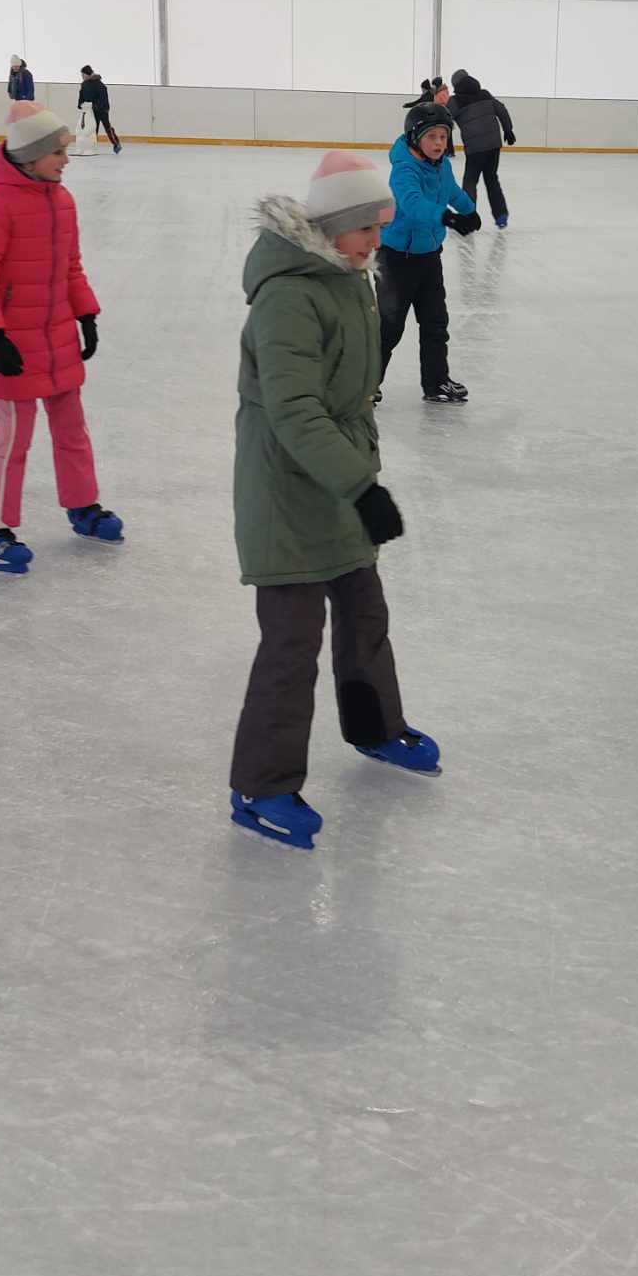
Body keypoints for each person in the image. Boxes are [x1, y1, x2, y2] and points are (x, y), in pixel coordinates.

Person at [229, 150, 441, 851]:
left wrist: (357, 475)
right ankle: (261, 785)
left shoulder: (348, 275)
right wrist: (361, 485)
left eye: (381, 227)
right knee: (292, 642)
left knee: (364, 615)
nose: (378, 241)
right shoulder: (289, 296)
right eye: (367, 228)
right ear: (331, 225)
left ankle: (375, 727)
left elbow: (351, 394)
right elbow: (295, 412)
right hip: (287, 492)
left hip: (339, 477)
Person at [0, 101, 123, 574]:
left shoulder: (62, 200)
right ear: (31, 156)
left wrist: (86, 314)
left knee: (72, 430)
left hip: (57, 339)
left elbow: (70, 267)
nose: (66, 160)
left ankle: (83, 506)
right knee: (12, 438)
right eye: (58, 152)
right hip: (12, 345)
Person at [378, 101, 480, 405]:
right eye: (432, 137)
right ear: (414, 138)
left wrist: (469, 210)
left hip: (429, 256)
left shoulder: (441, 165)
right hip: (397, 259)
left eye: (443, 136)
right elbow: (413, 204)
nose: (439, 143)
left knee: (436, 322)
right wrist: (447, 218)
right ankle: (364, 384)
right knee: (388, 327)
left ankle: (436, 383)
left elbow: (452, 191)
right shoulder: (404, 170)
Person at [446, 68, 516, 229]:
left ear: (455, 85)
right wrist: (508, 130)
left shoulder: (455, 101)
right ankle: (501, 216)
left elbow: (445, 119)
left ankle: (468, 216)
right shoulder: (485, 94)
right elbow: (501, 110)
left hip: (475, 148)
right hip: (493, 144)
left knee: (470, 181)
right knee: (492, 179)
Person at [78, 65, 122, 153]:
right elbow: (81, 95)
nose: (82, 76)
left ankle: (116, 144)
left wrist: (99, 106)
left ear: (88, 74)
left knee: (107, 127)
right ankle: (92, 146)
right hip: (91, 110)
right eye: (81, 75)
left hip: (102, 109)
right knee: (93, 129)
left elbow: (103, 97)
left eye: (83, 74)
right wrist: (80, 104)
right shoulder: (84, 84)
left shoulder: (99, 84)